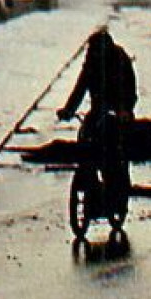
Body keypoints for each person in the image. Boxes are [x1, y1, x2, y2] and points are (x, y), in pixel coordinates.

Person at [55, 27, 136, 215]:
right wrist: (68, 110)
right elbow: (80, 87)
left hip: (118, 110)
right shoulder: (91, 63)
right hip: (98, 109)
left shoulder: (120, 60)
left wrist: (125, 109)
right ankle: (90, 183)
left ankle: (116, 193)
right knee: (85, 137)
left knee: (113, 150)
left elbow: (129, 86)